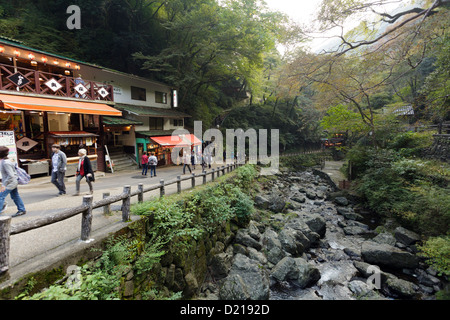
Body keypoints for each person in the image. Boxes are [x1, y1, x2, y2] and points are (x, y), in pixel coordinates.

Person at [0, 146, 26, 217]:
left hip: (10, 183)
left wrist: (4, 185)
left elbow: (11, 175)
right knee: (15, 196)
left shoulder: (5, 163)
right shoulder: (8, 160)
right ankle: (22, 209)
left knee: (1, 196)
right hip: (13, 182)